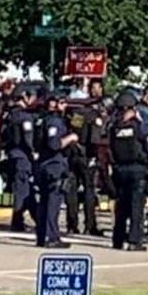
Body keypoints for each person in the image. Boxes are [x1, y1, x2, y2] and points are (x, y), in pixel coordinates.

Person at [106, 93, 148, 251]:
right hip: (137, 169)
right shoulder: (140, 126)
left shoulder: (114, 127)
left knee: (121, 207)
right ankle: (134, 240)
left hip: (119, 169)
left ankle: (118, 239)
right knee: (136, 207)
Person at [31, 88, 76, 247]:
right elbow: (54, 144)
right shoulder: (54, 121)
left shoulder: (40, 119)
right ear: (54, 104)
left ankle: (41, 236)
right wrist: (70, 138)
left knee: (44, 201)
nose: (65, 106)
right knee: (53, 202)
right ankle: (52, 237)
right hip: (53, 164)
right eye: (62, 102)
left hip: (42, 164)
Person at [63, 96, 102, 237]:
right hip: (86, 157)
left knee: (72, 191)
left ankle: (72, 225)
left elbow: (74, 133)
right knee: (89, 191)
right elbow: (95, 140)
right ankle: (89, 226)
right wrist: (94, 157)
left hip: (74, 155)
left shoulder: (78, 116)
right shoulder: (94, 117)